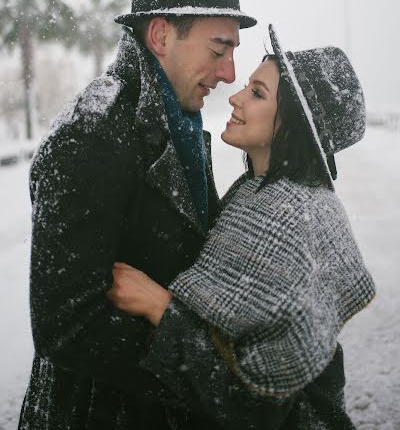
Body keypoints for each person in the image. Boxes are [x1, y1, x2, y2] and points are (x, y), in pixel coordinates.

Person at [18, 0, 259, 430]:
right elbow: (64, 326)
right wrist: (199, 371)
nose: (230, 72)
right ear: (161, 35)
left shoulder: (178, 126)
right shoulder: (93, 136)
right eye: (218, 49)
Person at [107, 25, 376, 429]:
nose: (234, 96)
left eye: (257, 93)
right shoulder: (257, 191)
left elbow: (256, 399)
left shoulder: (292, 218)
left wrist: (159, 307)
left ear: (293, 126)